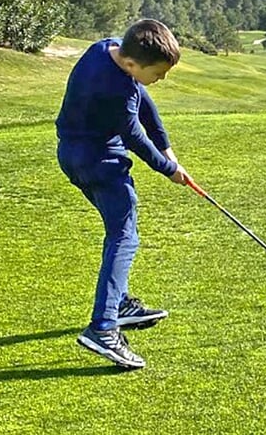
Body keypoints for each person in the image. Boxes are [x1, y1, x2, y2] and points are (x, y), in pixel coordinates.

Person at [56, 18, 190, 370]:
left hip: (72, 155)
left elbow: (143, 100)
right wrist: (168, 168)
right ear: (132, 64)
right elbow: (134, 138)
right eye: (158, 74)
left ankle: (118, 303)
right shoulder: (116, 90)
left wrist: (167, 146)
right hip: (99, 163)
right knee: (124, 236)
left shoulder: (107, 47)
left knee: (118, 231)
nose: (160, 80)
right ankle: (103, 327)